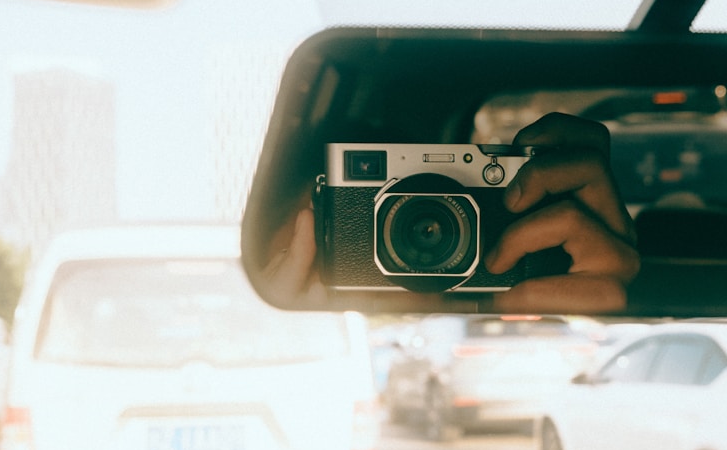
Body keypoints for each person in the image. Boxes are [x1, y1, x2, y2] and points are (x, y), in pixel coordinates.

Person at [255, 113, 640, 314]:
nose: (399, 250)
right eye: (328, 232)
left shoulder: (505, 315)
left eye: (416, 218)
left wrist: (600, 314)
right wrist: (275, 324)